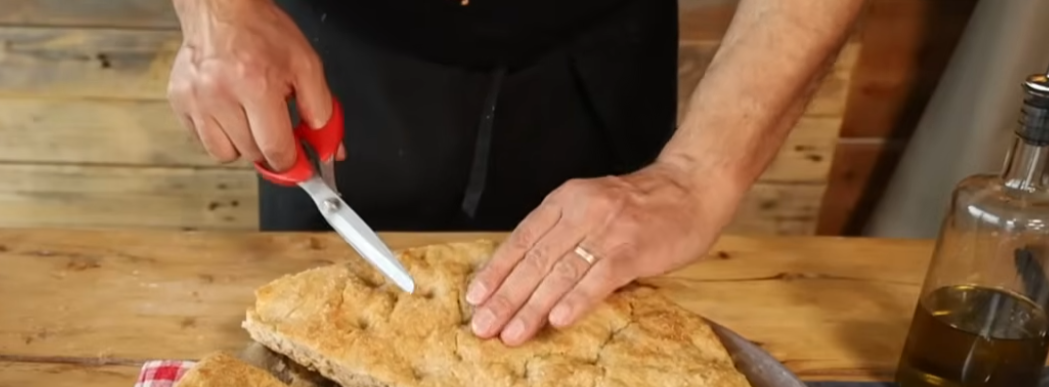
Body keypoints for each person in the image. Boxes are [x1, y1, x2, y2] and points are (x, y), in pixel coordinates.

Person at [167, 0, 865, 346]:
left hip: (595, 51)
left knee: (584, 316)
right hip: (338, 54)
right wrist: (217, 14)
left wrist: (695, 177)